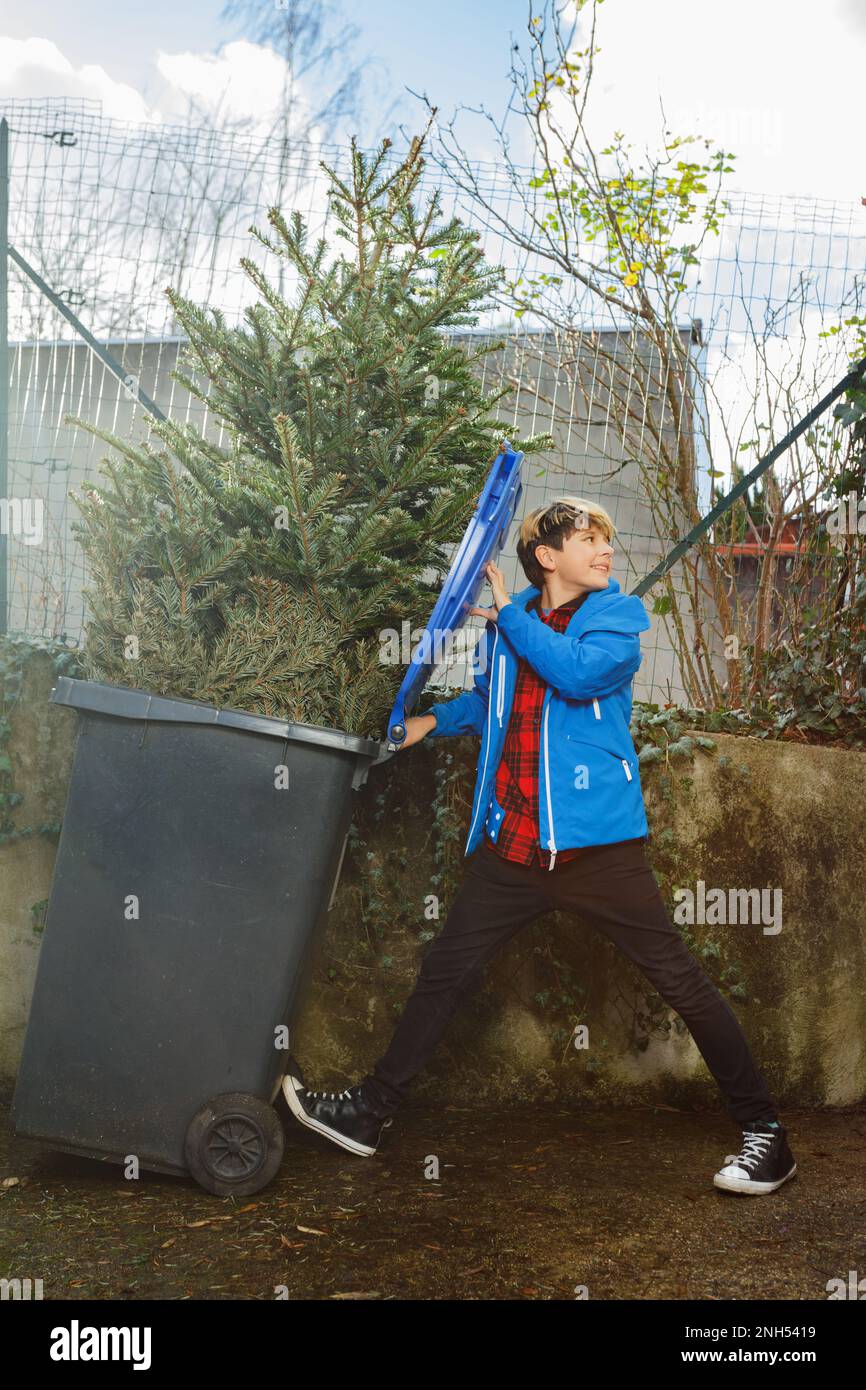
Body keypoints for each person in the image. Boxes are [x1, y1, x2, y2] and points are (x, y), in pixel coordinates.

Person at [282, 497, 797, 1196]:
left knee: (682, 983)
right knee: (444, 973)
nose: (606, 550)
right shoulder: (509, 629)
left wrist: (510, 617)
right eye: (589, 539)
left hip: (598, 852)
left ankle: (766, 1134)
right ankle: (371, 1114)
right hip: (515, 848)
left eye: (605, 539)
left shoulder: (615, 620)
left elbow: (576, 674)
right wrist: (428, 721)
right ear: (547, 557)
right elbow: (490, 702)